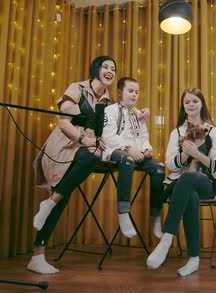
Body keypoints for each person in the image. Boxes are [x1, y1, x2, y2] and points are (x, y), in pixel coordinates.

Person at [30, 56, 148, 274]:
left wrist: (140, 117)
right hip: (65, 146)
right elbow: (63, 121)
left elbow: (119, 128)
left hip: (89, 152)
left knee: (71, 183)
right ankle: (38, 254)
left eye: (113, 68)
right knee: (66, 190)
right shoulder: (77, 89)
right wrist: (84, 139)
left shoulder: (110, 105)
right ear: (96, 68)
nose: (110, 71)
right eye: (106, 66)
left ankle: (48, 210)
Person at [146, 88, 216, 277]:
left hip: (206, 183)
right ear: (183, 106)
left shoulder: (214, 132)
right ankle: (193, 260)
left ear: (202, 104)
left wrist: (197, 154)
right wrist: (184, 153)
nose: (191, 105)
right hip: (181, 185)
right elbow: (171, 165)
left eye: (195, 101)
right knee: (189, 190)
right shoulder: (177, 132)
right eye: (187, 102)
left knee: (188, 178)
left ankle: (166, 239)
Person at [102, 77, 165, 239]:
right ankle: (123, 212)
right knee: (127, 160)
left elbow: (143, 137)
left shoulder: (138, 115)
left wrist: (146, 149)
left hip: (137, 153)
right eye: (130, 91)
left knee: (159, 168)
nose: (134, 95)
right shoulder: (110, 110)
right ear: (119, 92)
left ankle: (155, 216)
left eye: (137, 92)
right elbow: (108, 136)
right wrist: (129, 148)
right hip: (115, 151)